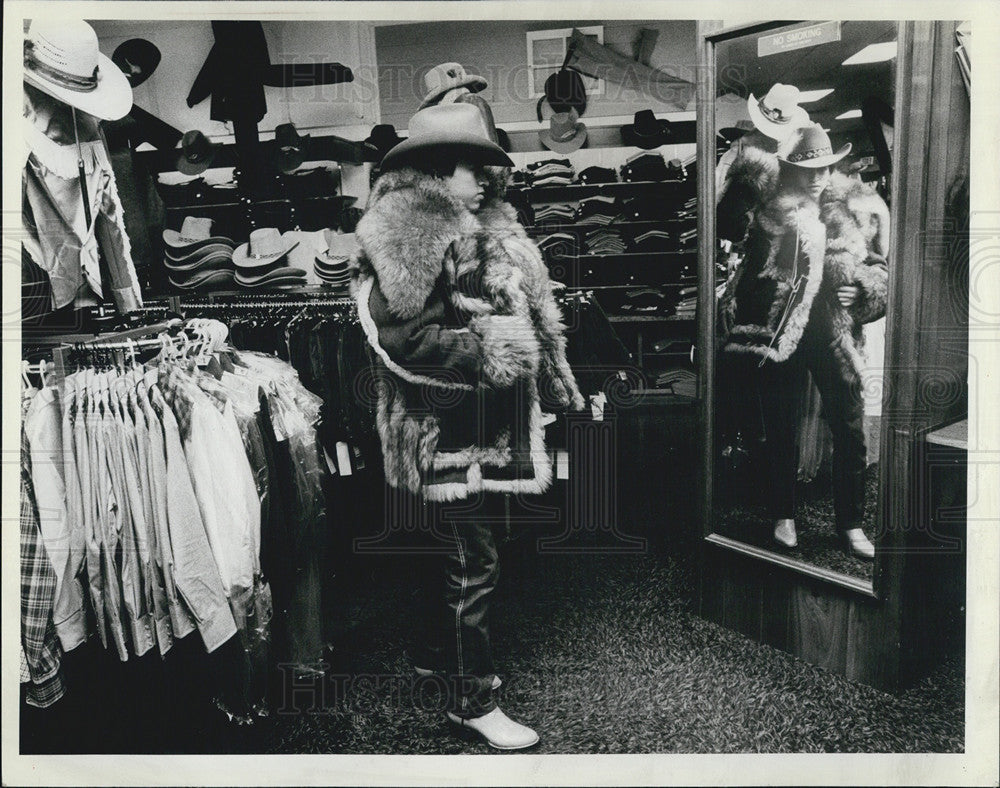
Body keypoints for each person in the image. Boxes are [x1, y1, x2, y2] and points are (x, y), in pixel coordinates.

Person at [353, 102, 582, 750]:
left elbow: (526, 308)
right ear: (431, 170)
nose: (483, 177)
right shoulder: (408, 226)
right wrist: (492, 349)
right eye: (467, 165)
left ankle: (440, 658)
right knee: (470, 563)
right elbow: (402, 337)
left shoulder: (478, 221)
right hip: (446, 431)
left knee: (462, 556)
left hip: (481, 426)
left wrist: (547, 371)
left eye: (487, 164)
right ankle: (470, 701)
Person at [718, 124, 889, 560]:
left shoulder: (849, 209)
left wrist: (867, 289)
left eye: (824, 167)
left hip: (833, 333)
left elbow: (879, 266)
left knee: (850, 433)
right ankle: (784, 514)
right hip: (782, 334)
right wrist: (747, 177)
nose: (816, 176)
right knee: (781, 431)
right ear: (790, 168)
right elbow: (734, 239)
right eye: (805, 168)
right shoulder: (770, 210)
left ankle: (851, 524)